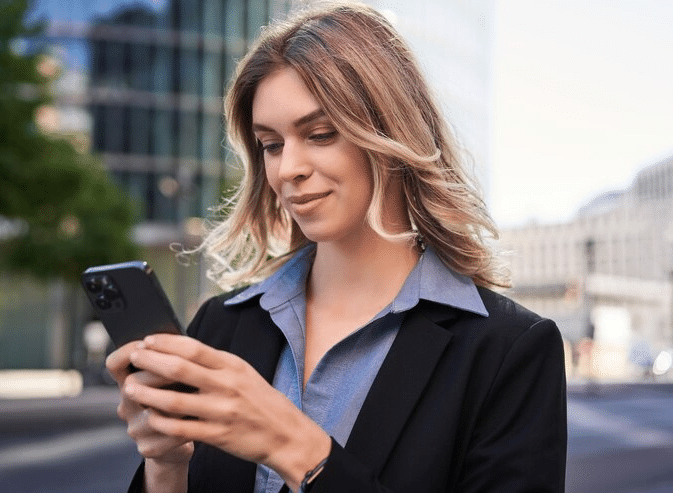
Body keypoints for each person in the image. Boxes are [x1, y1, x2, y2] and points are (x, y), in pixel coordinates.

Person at [106, 2, 568, 492]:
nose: (288, 170)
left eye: (320, 134)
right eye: (271, 144)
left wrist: (296, 449)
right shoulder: (219, 326)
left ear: (390, 133)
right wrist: (165, 465)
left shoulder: (508, 350)